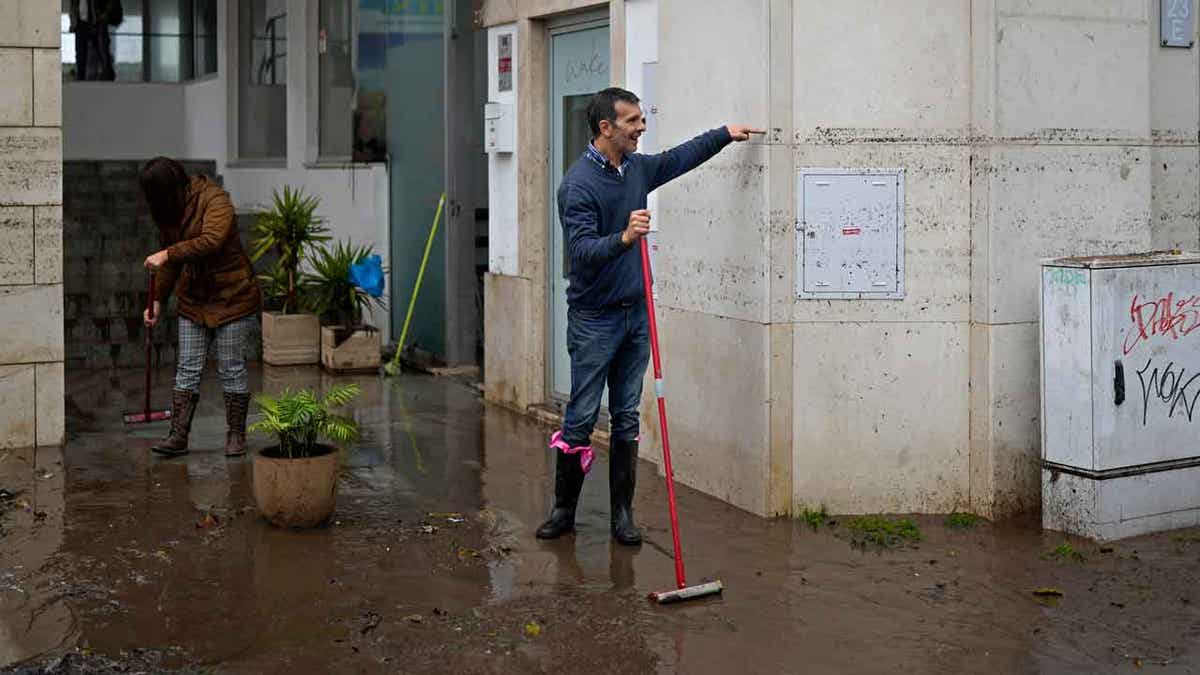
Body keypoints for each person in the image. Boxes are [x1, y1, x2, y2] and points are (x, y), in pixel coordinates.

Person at [536, 87, 762, 544]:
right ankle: (564, 511)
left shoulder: (637, 169)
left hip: (636, 316)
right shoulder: (577, 185)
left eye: (641, 119)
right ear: (606, 128)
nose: (642, 127)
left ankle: (623, 516)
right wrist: (623, 237)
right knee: (580, 416)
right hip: (594, 319)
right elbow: (579, 253)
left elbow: (679, 158)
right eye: (633, 121)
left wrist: (723, 134)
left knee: (626, 415)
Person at [140, 157, 262, 457]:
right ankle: (178, 436)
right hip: (194, 300)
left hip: (232, 297)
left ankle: (236, 435)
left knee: (231, 369)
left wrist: (168, 253)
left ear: (172, 187)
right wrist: (157, 301)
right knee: (187, 369)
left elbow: (212, 240)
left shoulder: (214, 200)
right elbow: (170, 265)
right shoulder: (170, 212)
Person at [69, 0, 122, 81]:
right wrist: (73, 23)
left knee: (102, 50)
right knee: (81, 53)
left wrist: (104, 15)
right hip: (82, 23)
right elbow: (73, 7)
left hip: (97, 21)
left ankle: (107, 75)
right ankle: (81, 76)